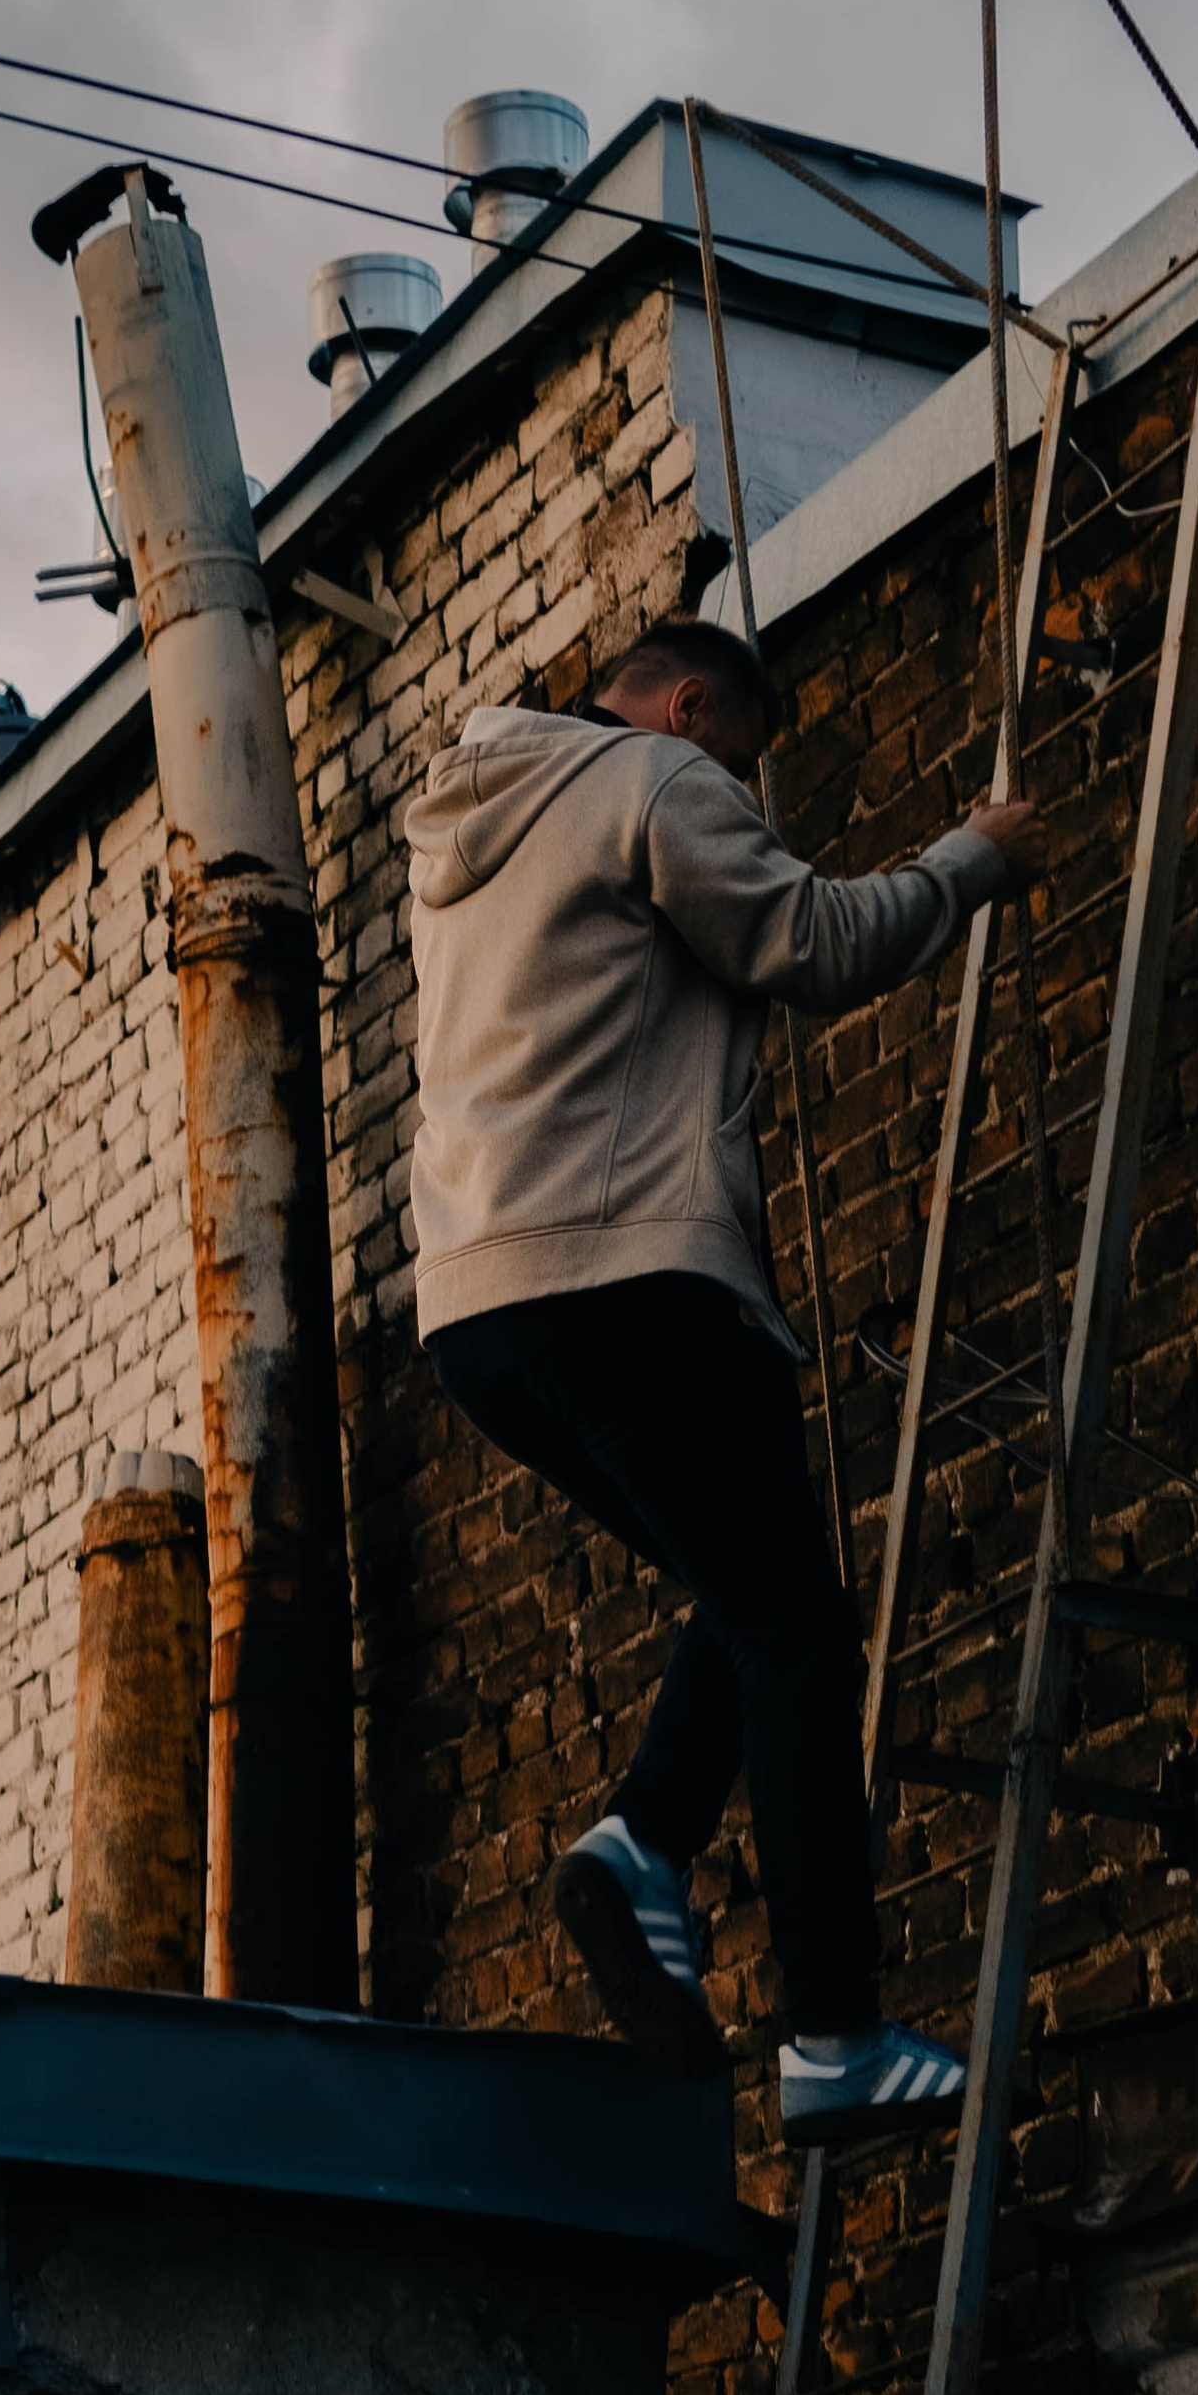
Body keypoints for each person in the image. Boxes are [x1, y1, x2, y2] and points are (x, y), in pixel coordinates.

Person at [403, 619, 1049, 2144]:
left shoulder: (470, 833)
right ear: (692, 706)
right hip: (635, 1278)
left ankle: (641, 1845)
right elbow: (812, 945)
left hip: (481, 1313)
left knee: (750, 1596)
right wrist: (971, 858)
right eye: (741, 762)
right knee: (799, 1632)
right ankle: (830, 2028)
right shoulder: (647, 779)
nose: (738, 790)